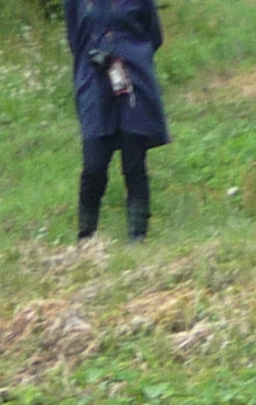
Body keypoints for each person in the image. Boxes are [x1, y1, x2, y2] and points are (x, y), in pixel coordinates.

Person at [66, 0, 167, 245]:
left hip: (133, 83)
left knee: (134, 163)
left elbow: (154, 36)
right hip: (94, 84)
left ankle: (137, 236)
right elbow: (75, 40)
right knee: (94, 165)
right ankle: (86, 237)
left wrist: (129, 55)